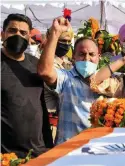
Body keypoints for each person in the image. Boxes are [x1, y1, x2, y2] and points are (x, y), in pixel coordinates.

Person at [37, 17, 125, 144]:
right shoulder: (66, 78)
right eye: (81, 54)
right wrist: (54, 34)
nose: (87, 59)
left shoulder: (108, 81)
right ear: (73, 57)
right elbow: (45, 72)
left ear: (99, 57)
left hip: (96, 149)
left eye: (91, 54)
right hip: (67, 149)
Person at [1, 13, 53, 158]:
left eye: (23, 32)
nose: (18, 35)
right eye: (12, 30)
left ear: (29, 37)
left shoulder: (36, 64)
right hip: (8, 156)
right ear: (2, 34)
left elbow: (41, 105)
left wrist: (48, 144)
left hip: (39, 151)